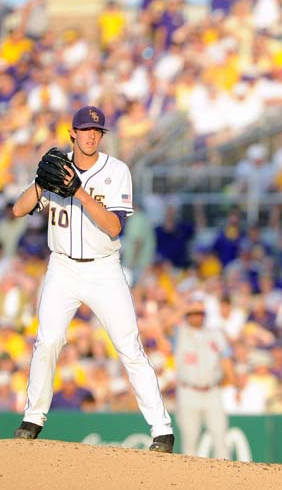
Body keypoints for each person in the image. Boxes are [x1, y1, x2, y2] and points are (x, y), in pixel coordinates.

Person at [10, 106, 174, 452]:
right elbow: (18, 210)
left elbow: (115, 226)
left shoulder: (116, 171)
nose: (90, 136)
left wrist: (80, 192)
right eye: (84, 130)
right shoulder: (57, 167)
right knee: (48, 341)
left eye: (96, 131)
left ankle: (161, 429)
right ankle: (33, 418)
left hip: (103, 268)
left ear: (102, 136)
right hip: (62, 267)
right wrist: (41, 183)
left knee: (129, 346)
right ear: (72, 133)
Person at [174, 294, 234, 459]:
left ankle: (225, 477)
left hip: (212, 391)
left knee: (220, 437)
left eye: (200, 313)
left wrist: (233, 382)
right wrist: (185, 307)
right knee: (190, 442)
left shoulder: (215, 334)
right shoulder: (180, 332)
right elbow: (162, 325)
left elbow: (226, 358)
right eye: (193, 313)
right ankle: (191, 481)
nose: (197, 316)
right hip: (188, 391)